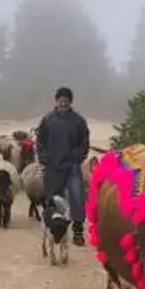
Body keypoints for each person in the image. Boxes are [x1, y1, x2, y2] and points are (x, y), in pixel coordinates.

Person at [35, 86, 91, 246]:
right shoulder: (48, 120)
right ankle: (54, 230)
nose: (63, 104)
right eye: (61, 101)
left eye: (66, 101)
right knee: (52, 199)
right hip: (52, 166)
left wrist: (76, 158)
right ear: (56, 101)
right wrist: (45, 158)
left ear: (70, 102)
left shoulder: (78, 121)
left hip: (72, 166)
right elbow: (40, 142)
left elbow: (84, 144)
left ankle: (78, 230)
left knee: (77, 196)